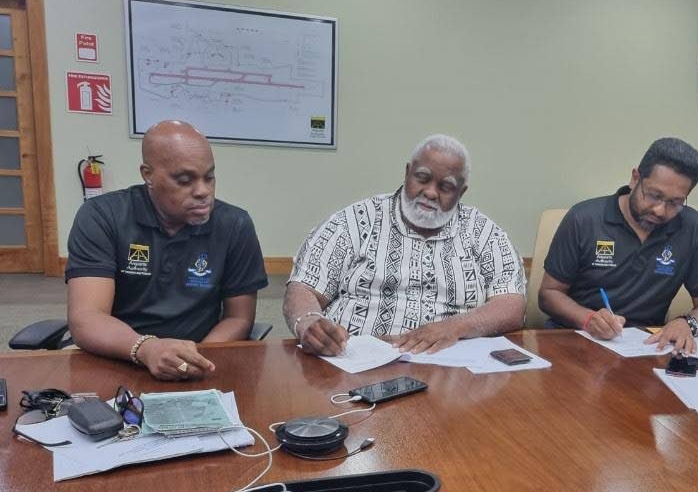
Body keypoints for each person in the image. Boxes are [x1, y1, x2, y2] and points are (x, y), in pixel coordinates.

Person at [284, 134, 526, 356]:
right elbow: (303, 288)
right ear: (408, 172)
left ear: (461, 192)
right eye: (423, 178)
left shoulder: (485, 234)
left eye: (446, 187)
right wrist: (309, 322)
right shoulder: (354, 221)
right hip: (351, 363)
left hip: (451, 372)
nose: (431, 193)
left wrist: (453, 327)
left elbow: (512, 304)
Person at [66, 120, 268, 380]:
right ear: (148, 174)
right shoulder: (102, 217)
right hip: (117, 355)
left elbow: (239, 319)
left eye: (209, 177)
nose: (203, 191)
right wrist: (147, 349)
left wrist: (193, 359)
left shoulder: (234, 224)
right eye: (184, 180)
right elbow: (87, 316)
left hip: (202, 358)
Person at [538, 137, 698, 353]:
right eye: (654, 196)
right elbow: (549, 294)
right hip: (574, 340)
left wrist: (687, 323)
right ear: (635, 179)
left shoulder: (692, 228)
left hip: (645, 348)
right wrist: (588, 319)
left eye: (675, 203)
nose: (660, 210)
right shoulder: (584, 219)